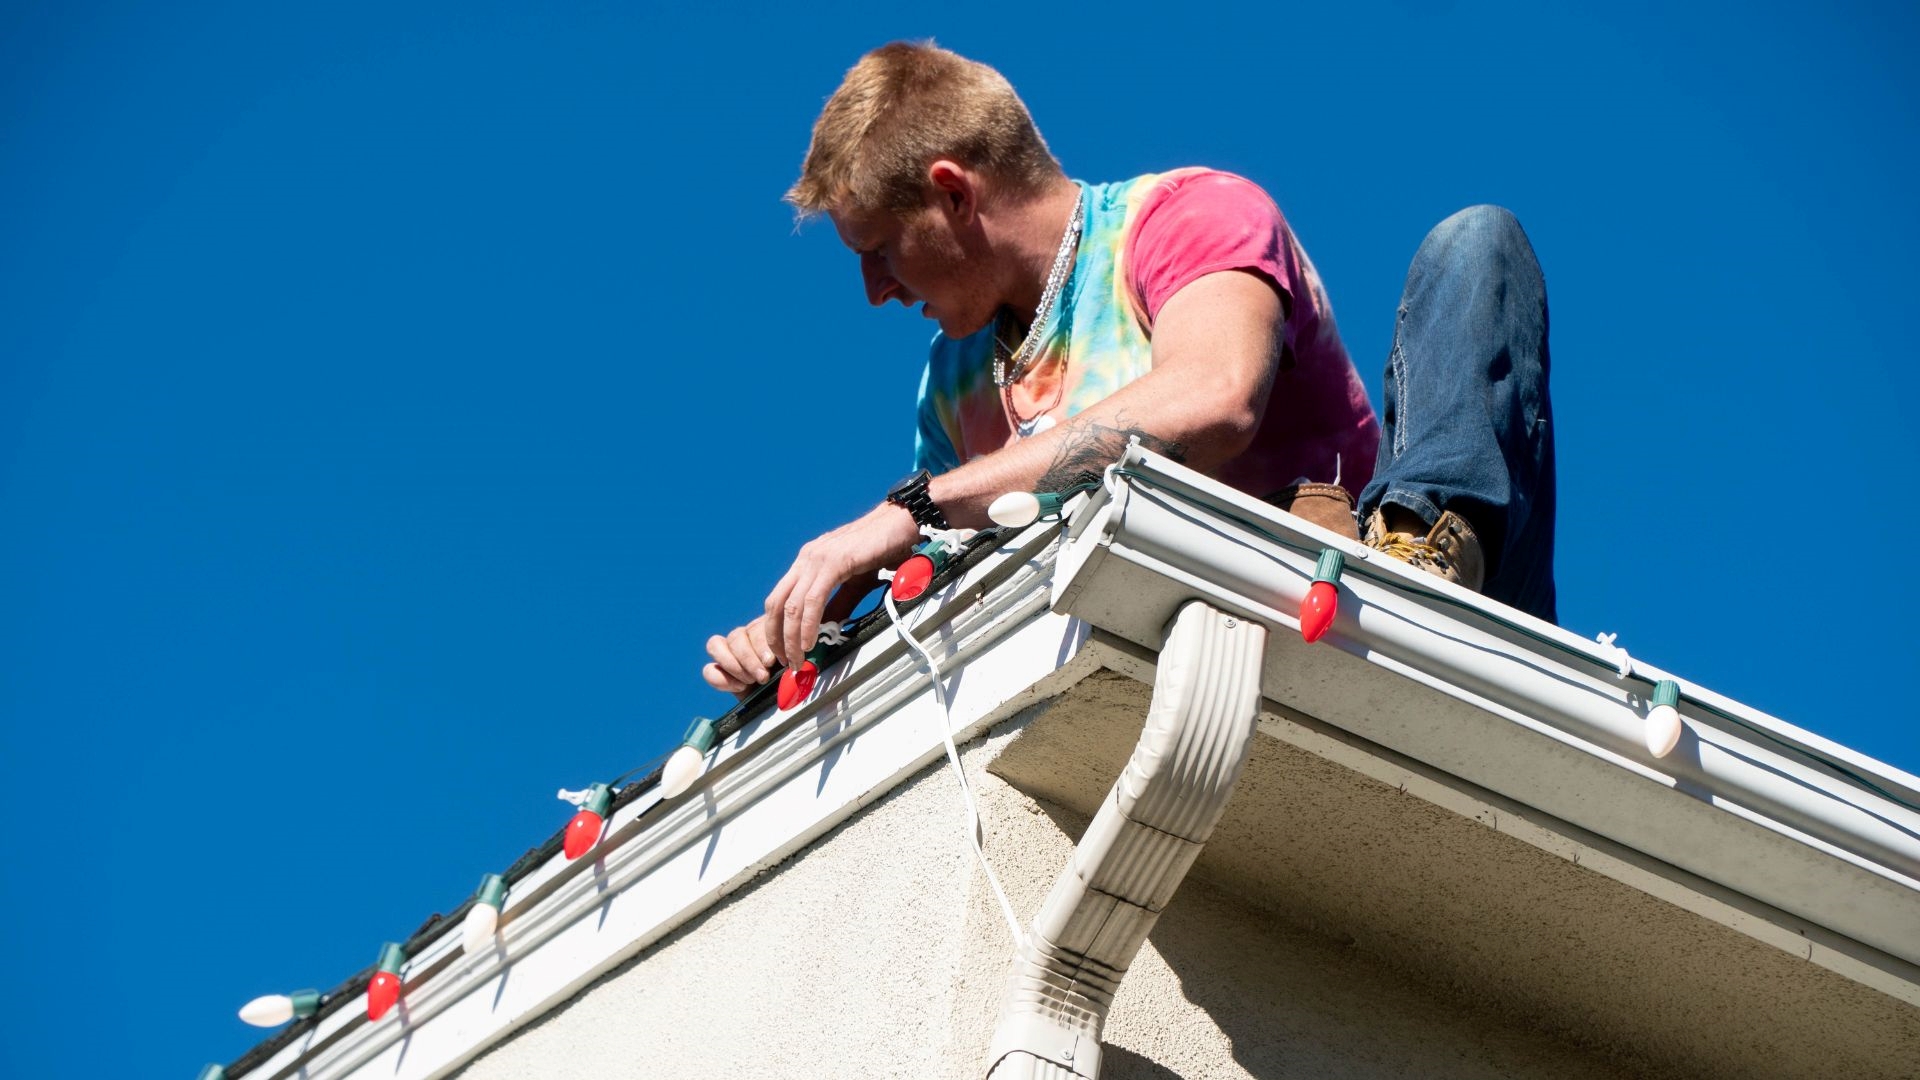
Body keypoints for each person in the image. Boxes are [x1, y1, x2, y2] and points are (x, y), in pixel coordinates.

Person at [703, 42, 1555, 696]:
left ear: (954, 193)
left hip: (1357, 604)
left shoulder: (1181, 217)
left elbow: (1215, 396)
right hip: (1168, 659)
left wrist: (918, 504)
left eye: (881, 249)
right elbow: (929, 573)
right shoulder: (954, 383)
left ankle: (1420, 555)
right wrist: (798, 636)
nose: (874, 290)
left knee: (1475, 245)